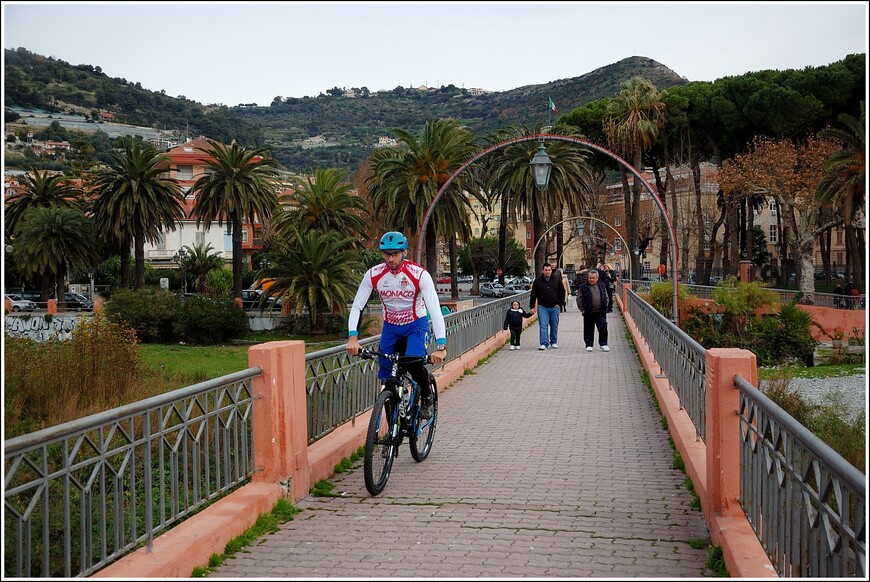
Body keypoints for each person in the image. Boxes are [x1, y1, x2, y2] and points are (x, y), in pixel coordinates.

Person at [347, 231, 447, 420]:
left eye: (395, 253)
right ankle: (391, 438)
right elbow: (358, 306)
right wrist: (353, 337)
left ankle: (426, 394)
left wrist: (441, 347)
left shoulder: (419, 275)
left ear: (404, 252)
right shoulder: (374, 275)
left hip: (415, 326)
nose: (390, 258)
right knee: (386, 377)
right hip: (391, 328)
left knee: (415, 362)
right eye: (386, 254)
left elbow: (434, 309)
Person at [529, 262, 566, 350]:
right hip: (542, 307)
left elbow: (562, 291)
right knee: (543, 325)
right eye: (546, 270)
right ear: (543, 271)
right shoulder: (537, 281)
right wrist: (532, 307)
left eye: (549, 270)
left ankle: (553, 341)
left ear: (551, 270)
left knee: (554, 325)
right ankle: (544, 343)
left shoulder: (556, 279)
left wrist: (560, 303)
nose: (547, 272)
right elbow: (533, 294)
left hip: (554, 307)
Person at [578, 269, 609, 352]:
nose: (591, 279)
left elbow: (605, 296)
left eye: (593, 278)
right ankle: (589, 344)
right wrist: (582, 309)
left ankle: (603, 344)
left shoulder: (601, 285)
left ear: (597, 278)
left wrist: (606, 307)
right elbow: (579, 299)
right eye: (590, 278)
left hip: (600, 311)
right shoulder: (583, 287)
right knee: (588, 328)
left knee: (603, 326)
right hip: (588, 311)